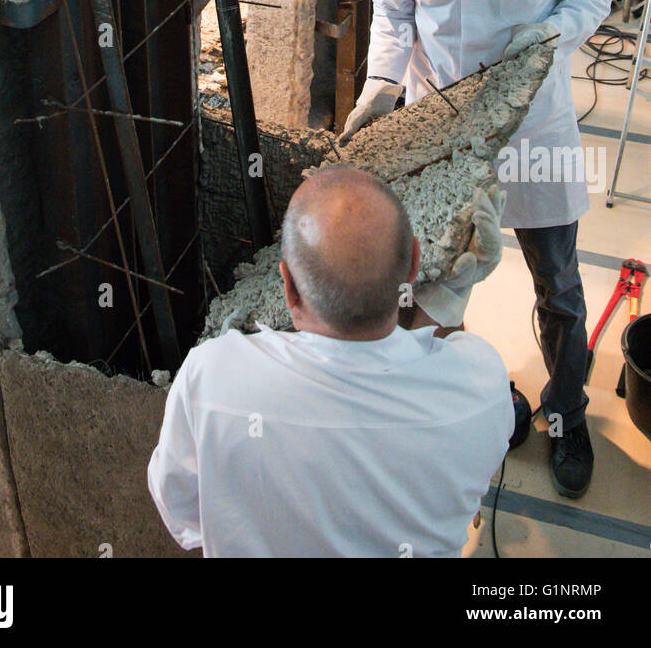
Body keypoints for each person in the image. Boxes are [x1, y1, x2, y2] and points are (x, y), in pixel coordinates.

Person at [341, 0, 615, 498]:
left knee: (555, 280)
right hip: (442, 117)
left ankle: (567, 410)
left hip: (532, 121)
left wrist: (548, 40)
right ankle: (469, 402)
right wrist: (380, 82)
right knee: (435, 275)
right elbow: (394, 8)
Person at [148, 166, 514, 558]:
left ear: (288, 285)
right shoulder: (482, 389)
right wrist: (447, 300)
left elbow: (182, 513)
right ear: (413, 265)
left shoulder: (213, 377)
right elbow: (431, 375)